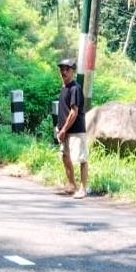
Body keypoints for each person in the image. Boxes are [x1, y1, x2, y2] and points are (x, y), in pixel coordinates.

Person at [55, 58, 88, 199]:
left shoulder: (75, 88)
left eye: (67, 69)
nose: (64, 71)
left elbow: (74, 112)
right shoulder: (64, 88)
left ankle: (83, 188)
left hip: (76, 130)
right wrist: (59, 127)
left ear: (73, 71)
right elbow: (63, 110)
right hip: (64, 130)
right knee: (65, 156)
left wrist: (63, 130)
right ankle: (71, 185)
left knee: (81, 159)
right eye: (62, 68)